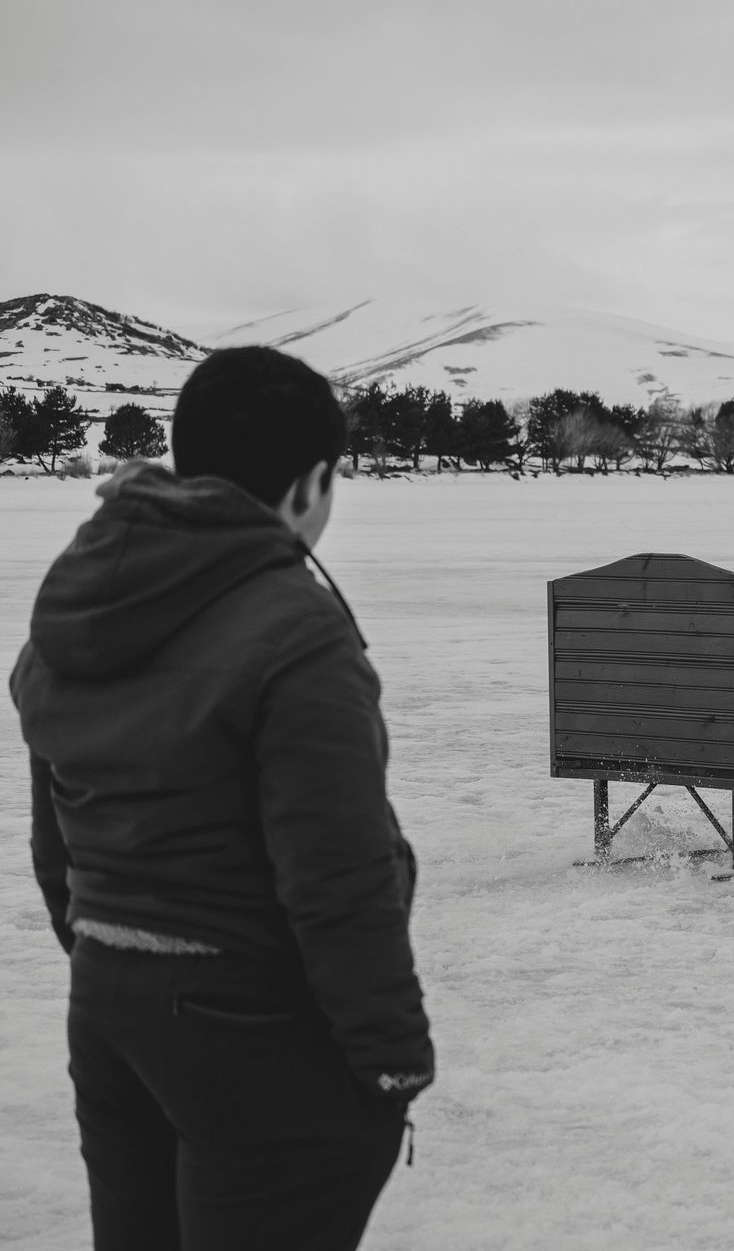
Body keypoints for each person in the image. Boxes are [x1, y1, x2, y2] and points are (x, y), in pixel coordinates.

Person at [11, 346, 433, 1250]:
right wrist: (392, 1053)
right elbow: (335, 867)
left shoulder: (81, 599)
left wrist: (112, 960)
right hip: (249, 1022)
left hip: (110, 1005)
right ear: (311, 483)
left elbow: (57, 841)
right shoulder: (295, 629)